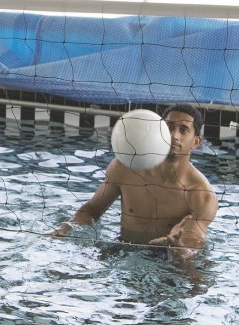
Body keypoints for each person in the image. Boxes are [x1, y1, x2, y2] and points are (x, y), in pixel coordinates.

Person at [52, 103, 219, 260]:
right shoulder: (126, 168)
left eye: (183, 130)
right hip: (122, 247)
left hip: (164, 258)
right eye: (169, 127)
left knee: (195, 281)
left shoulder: (201, 195)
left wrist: (177, 246)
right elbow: (92, 209)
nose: (174, 135)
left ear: (195, 142)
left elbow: (191, 247)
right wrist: (65, 229)